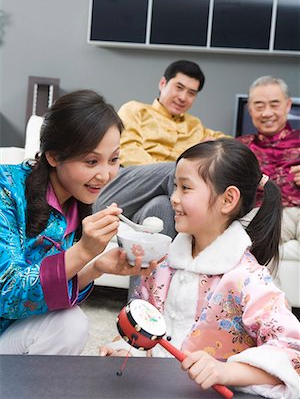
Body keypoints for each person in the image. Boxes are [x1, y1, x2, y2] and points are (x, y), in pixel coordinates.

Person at [100, 139, 300, 398]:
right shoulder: (163, 263)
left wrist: (226, 371)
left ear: (227, 199)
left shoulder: (247, 279)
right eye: (175, 186)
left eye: (185, 188)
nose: (173, 198)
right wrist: (126, 349)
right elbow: (146, 326)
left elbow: (293, 350)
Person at [0, 90, 160, 356]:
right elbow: (7, 294)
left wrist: (95, 267)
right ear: (53, 156)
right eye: (91, 161)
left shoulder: (76, 206)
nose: (105, 174)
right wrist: (83, 251)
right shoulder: (6, 190)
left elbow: (49, 300)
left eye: (114, 160)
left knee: (70, 323)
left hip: (11, 332)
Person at [94, 60, 228, 238]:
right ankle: (213, 231)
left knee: (162, 207)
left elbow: (229, 143)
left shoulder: (195, 126)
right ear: (163, 83)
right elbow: (128, 149)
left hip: (148, 206)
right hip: (124, 189)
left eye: (191, 93)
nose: (183, 97)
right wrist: (172, 170)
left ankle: (165, 265)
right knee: (179, 170)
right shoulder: (135, 110)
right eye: (178, 87)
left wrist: (216, 144)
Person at [237, 76, 300, 256]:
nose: (266, 113)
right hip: (266, 213)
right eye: (259, 106)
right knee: (244, 241)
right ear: (250, 110)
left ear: (287, 105)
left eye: (274, 105)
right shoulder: (241, 148)